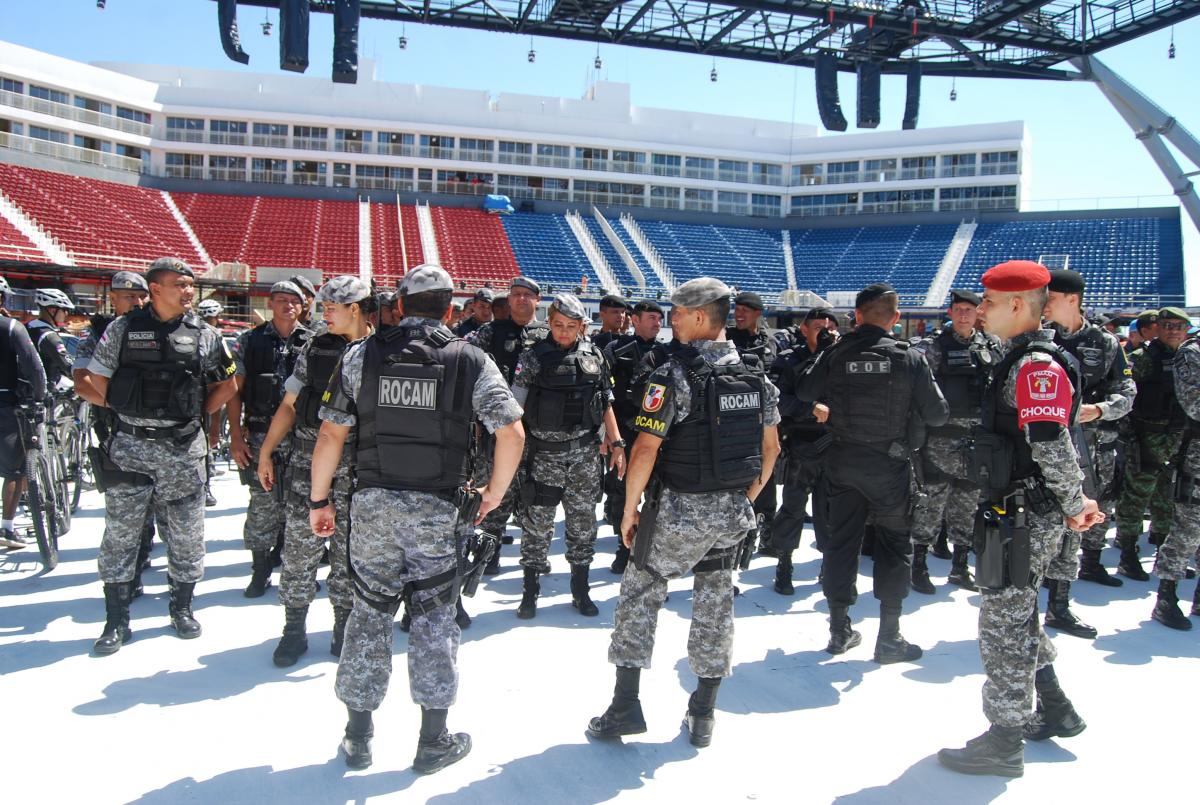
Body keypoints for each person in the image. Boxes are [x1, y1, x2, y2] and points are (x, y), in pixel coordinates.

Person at [311, 264, 525, 774]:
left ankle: (358, 738)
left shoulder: (361, 356)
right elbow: (512, 433)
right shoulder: (471, 358)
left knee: (368, 616)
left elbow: (329, 436)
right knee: (433, 622)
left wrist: (320, 502)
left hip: (372, 508)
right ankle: (433, 741)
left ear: (401, 305)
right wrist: (492, 495)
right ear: (450, 308)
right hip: (437, 510)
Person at [586, 277, 780, 748]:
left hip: (677, 510)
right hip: (730, 513)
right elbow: (771, 449)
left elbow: (646, 450)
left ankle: (624, 706)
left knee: (639, 595)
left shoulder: (674, 374)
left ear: (699, 317)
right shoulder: (756, 377)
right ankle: (703, 713)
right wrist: (744, 501)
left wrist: (628, 510)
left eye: (677, 312)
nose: (670, 319)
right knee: (716, 607)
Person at [938, 261, 1101, 778]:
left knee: (1003, 624)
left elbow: (1051, 444)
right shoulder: (1020, 359)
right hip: (1014, 508)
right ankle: (1053, 706)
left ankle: (1005, 740)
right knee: (1018, 615)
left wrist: (1076, 505)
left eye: (986, 302)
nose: (979, 310)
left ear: (1016, 306)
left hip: (1019, 513)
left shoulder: (1035, 366)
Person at [86, 257, 238, 654]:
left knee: (186, 534)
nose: (188, 291)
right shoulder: (122, 329)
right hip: (131, 447)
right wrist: (125, 406)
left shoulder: (205, 334)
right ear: (154, 289)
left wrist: (191, 411)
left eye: (190, 285)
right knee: (120, 535)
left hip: (182, 449)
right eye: (179, 284)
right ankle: (116, 620)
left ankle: (182, 607)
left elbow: (228, 383)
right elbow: (95, 379)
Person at [797, 284, 948, 662]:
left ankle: (838, 631)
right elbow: (937, 413)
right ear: (896, 319)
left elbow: (804, 391)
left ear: (857, 316)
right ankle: (889, 638)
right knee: (895, 548)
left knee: (841, 544)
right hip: (891, 467)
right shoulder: (909, 357)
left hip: (843, 465)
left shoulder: (837, 353)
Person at [257, 277, 373, 667]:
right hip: (309, 463)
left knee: (348, 554)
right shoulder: (314, 346)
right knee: (300, 552)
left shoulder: (380, 351)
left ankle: (342, 626)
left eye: (331, 308)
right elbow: (290, 404)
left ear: (355, 308)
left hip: (358, 470)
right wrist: (267, 451)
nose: (324, 314)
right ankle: (293, 629)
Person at [511, 293, 625, 618]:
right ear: (549, 322)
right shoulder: (532, 358)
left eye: (570, 326)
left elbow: (605, 402)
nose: (563, 332)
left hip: (585, 456)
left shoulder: (595, 356)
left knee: (583, 524)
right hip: (543, 456)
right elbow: (515, 408)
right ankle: (529, 592)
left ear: (581, 326)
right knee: (537, 526)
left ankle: (580, 590)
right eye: (558, 325)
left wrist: (615, 442)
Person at [1043, 270, 1135, 617]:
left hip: (1090, 448)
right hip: (1045, 447)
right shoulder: (1041, 339)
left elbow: (1127, 394)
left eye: (1050, 298)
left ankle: (1060, 602)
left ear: (1072, 299)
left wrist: (1099, 409)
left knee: (1080, 520)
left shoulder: (1105, 343)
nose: (1044, 305)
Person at [909, 289, 999, 595]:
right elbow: (917, 388)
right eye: (958, 309)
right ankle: (918, 564)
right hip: (940, 440)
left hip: (975, 442)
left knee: (967, 505)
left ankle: (960, 567)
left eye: (969, 310)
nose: (963, 314)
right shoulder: (934, 346)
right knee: (931, 504)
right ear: (950, 313)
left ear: (978, 313)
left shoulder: (991, 346)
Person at [73, 271, 156, 593]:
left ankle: (143, 548)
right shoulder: (97, 333)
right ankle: (127, 573)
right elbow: (82, 381)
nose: (135, 302)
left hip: (153, 430)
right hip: (115, 427)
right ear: (113, 298)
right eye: (128, 296)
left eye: (140, 296)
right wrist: (123, 407)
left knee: (152, 503)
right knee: (123, 507)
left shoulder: (154, 330)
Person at [229, 281, 312, 597]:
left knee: (301, 503)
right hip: (262, 433)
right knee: (262, 502)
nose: (287, 306)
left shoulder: (314, 342)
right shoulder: (250, 341)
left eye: (294, 301)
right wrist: (236, 436)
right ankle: (260, 570)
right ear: (270, 303)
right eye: (281, 300)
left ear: (302, 305)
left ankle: (297, 570)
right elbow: (235, 392)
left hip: (303, 434)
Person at [466, 277, 549, 573]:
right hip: (499, 430)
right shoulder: (490, 333)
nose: (521, 299)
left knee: (536, 496)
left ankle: (534, 556)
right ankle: (491, 552)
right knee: (495, 491)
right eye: (516, 294)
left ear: (538, 299)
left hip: (539, 428)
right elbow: (463, 356)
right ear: (509, 299)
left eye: (527, 295)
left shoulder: (550, 335)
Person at [1113, 307, 1191, 580]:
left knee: (1167, 497)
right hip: (1146, 437)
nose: (1172, 330)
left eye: (1178, 326)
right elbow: (1124, 397)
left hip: (1178, 438)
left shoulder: (1190, 359)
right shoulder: (1141, 359)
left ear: (1187, 330)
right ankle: (1128, 555)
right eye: (1167, 325)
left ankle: (1164, 553)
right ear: (1157, 328)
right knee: (1136, 496)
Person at [768, 306, 837, 595]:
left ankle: (828, 564)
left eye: (829, 327)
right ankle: (784, 563)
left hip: (834, 445)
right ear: (804, 329)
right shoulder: (788, 360)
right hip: (801, 443)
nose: (824, 331)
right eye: (818, 326)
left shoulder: (840, 358)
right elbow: (776, 400)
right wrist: (809, 409)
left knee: (830, 510)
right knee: (793, 507)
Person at [602, 300, 664, 573]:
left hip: (656, 435)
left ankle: (647, 548)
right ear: (635, 320)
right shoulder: (616, 350)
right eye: (651, 317)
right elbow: (603, 391)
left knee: (656, 496)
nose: (657, 323)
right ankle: (622, 547)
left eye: (660, 318)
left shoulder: (667, 353)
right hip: (625, 434)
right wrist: (608, 433)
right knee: (621, 494)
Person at [1149, 328, 1200, 628]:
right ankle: (1165, 599)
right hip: (1195, 453)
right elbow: (1194, 404)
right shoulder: (1191, 353)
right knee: (1187, 529)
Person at [726, 291, 779, 554]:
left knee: (766, 482)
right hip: (733, 422)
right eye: (737, 309)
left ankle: (766, 534)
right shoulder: (726, 339)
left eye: (746, 309)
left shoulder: (770, 343)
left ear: (758, 313)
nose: (739, 313)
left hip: (764, 422)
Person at [0, 276, 48, 550]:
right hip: (5, 406)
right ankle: (6, 527)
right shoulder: (11, 327)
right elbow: (34, 367)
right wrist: (40, 397)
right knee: (15, 470)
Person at [26, 288, 76, 388]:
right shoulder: (49, 336)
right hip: (45, 394)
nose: (66, 314)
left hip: (25, 389)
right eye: (65, 310)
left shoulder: (27, 327)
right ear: (52, 311)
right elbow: (69, 366)